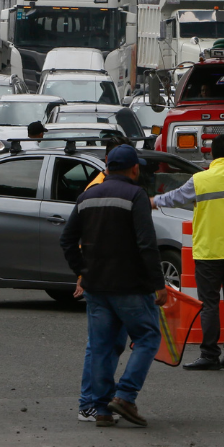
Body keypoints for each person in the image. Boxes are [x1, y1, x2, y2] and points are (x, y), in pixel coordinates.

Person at [60, 145, 167, 427]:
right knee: (147, 337)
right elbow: (147, 244)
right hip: (130, 285)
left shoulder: (87, 197)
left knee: (101, 346)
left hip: (96, 286)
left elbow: (67, 240)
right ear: (134, 169)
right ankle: (125, 395)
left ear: (107, 168)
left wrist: (81, 270)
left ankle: (102, 410)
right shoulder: (136, 195)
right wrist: (159, 283)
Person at [152, 131, 224, 371]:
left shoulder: (200, 180)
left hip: (210, 251)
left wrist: (155, 200)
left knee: (210, 303)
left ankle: (210, 354)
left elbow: (175, 197)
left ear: (211, 156)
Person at [73, 134, 131, 423]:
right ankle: (89, 402)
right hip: (104, 280)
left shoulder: (105, 186)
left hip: (110, 278)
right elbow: (85, 235)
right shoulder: (99, 188)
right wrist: (83, 273)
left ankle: (101, 401)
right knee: (99, 345)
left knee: (111, 343)